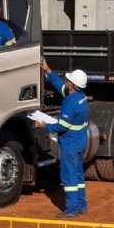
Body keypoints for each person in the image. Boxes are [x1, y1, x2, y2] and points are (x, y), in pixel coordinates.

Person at [39, 59, 89, 218]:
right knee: (78, 175)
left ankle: (72, 210)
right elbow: (60, 86)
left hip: (70, 146)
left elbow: (61, 126)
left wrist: (44, 125)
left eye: (68, 81)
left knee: (69, 178)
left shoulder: (70, 103)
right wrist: (48, 71)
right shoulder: (81, 97)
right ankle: (81, 206)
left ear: (72, 86)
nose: (66, 82)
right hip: (79, 143)